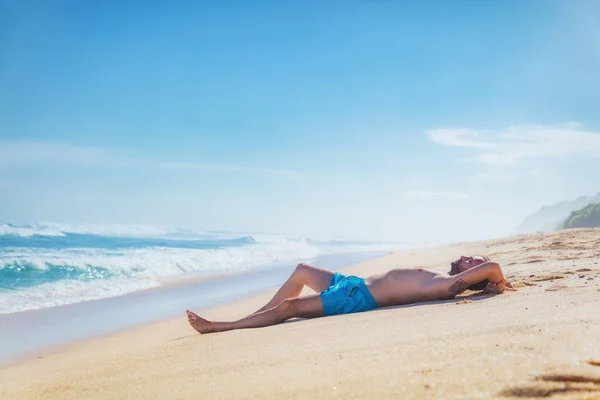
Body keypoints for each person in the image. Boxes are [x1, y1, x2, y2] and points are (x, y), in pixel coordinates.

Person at [186, 255, 513, 334]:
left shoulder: (446, 286)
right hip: (352, 282)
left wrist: (496, 284)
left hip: (358, 299)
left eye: (474, 260)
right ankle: (256, 315)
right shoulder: (442, 277)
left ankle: (220, 326)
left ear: (474, 277)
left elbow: (494, 267)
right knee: (301, 270)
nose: (467, 258)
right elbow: (489, 268)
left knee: (289, 307)